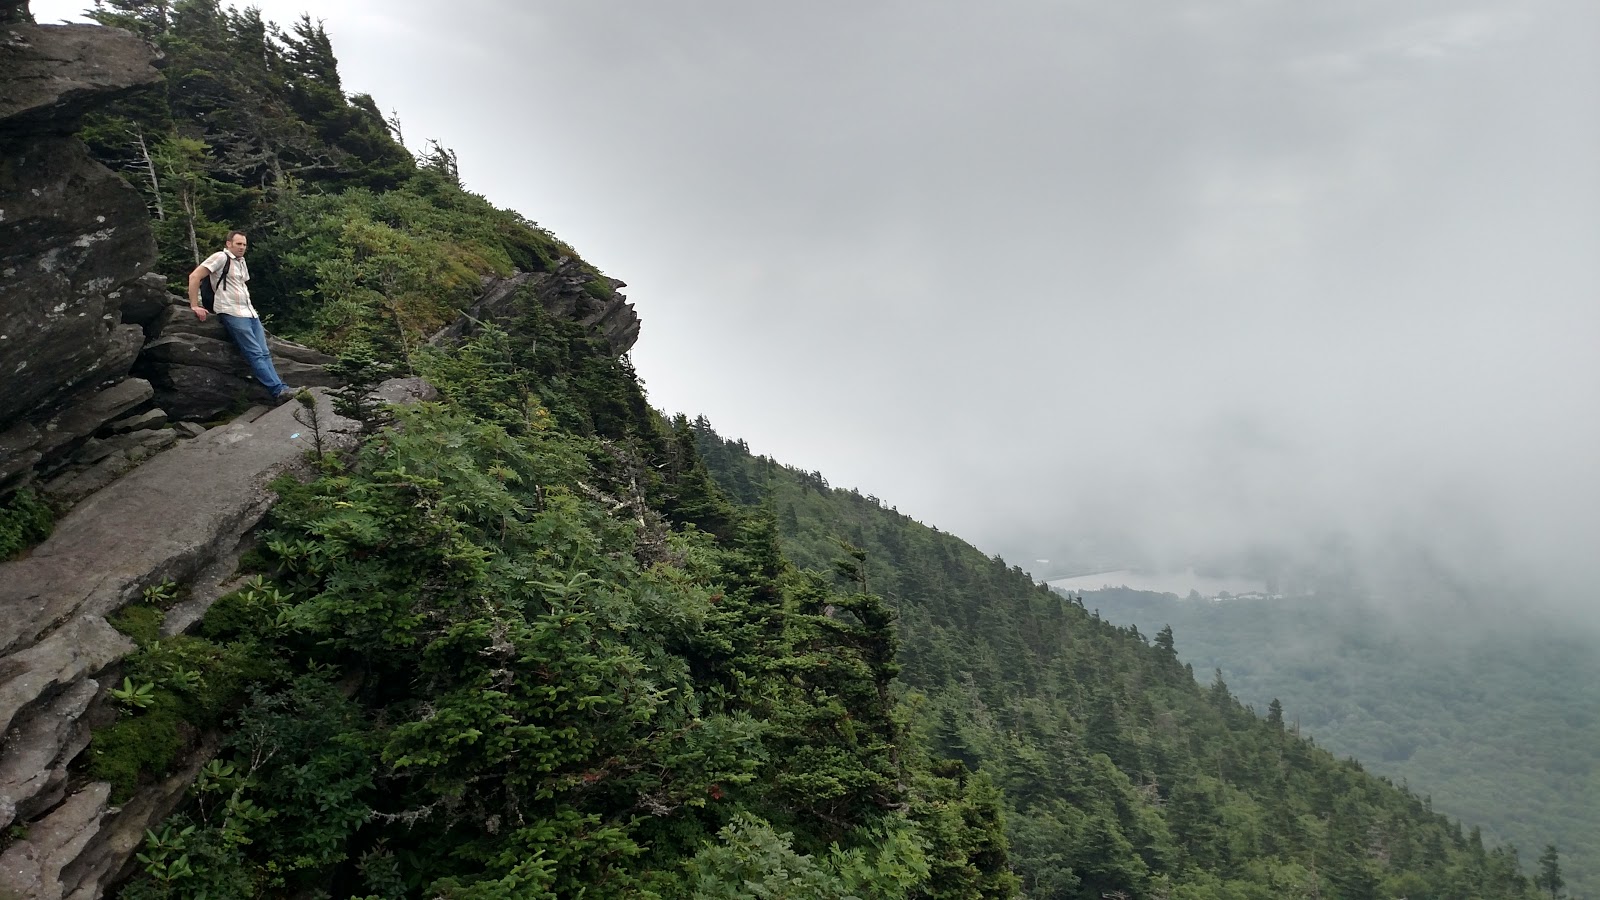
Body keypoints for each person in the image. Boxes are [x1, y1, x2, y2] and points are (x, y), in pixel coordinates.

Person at [187, 231, 295, 402]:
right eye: (238, 244)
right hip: (231, 311)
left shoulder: (241, 262)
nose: (242, 247)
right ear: (229, 243)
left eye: (244, 244)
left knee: (264, 353)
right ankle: (278, 390)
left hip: (249, 312)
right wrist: (194, 305)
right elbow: (195, 276)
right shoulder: (221, 257)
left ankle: (282, 388)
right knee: (255, 353)